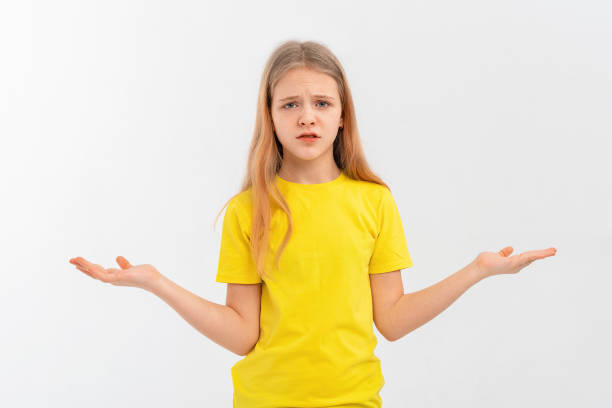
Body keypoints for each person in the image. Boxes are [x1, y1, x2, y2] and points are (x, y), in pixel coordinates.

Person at [68, 40, 557, 407]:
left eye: (322, 103)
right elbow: (243, 334)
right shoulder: (247, 211)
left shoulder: (374, 202)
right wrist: (156, 283)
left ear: (343, 115)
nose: (307, 117)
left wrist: (477, 270)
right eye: (291, 105)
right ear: (271, 117)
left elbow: (391, 321)